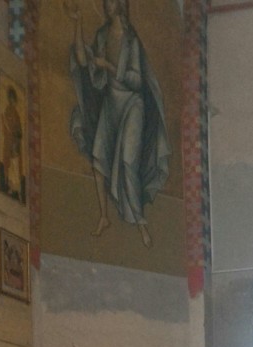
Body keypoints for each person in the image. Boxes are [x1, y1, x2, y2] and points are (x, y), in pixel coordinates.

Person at [65, 0, 171, 247]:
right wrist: (78, 23)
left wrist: (110, 67)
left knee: (128, 160)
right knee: (98, 159)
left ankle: (141, 222)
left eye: (112, 0)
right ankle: (104, 216)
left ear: (121, 4)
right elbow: (84, 62)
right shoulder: (102, 36)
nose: (107, 4)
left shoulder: (131, 40)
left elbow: (136, 80)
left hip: (132, 104)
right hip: (111, 102)